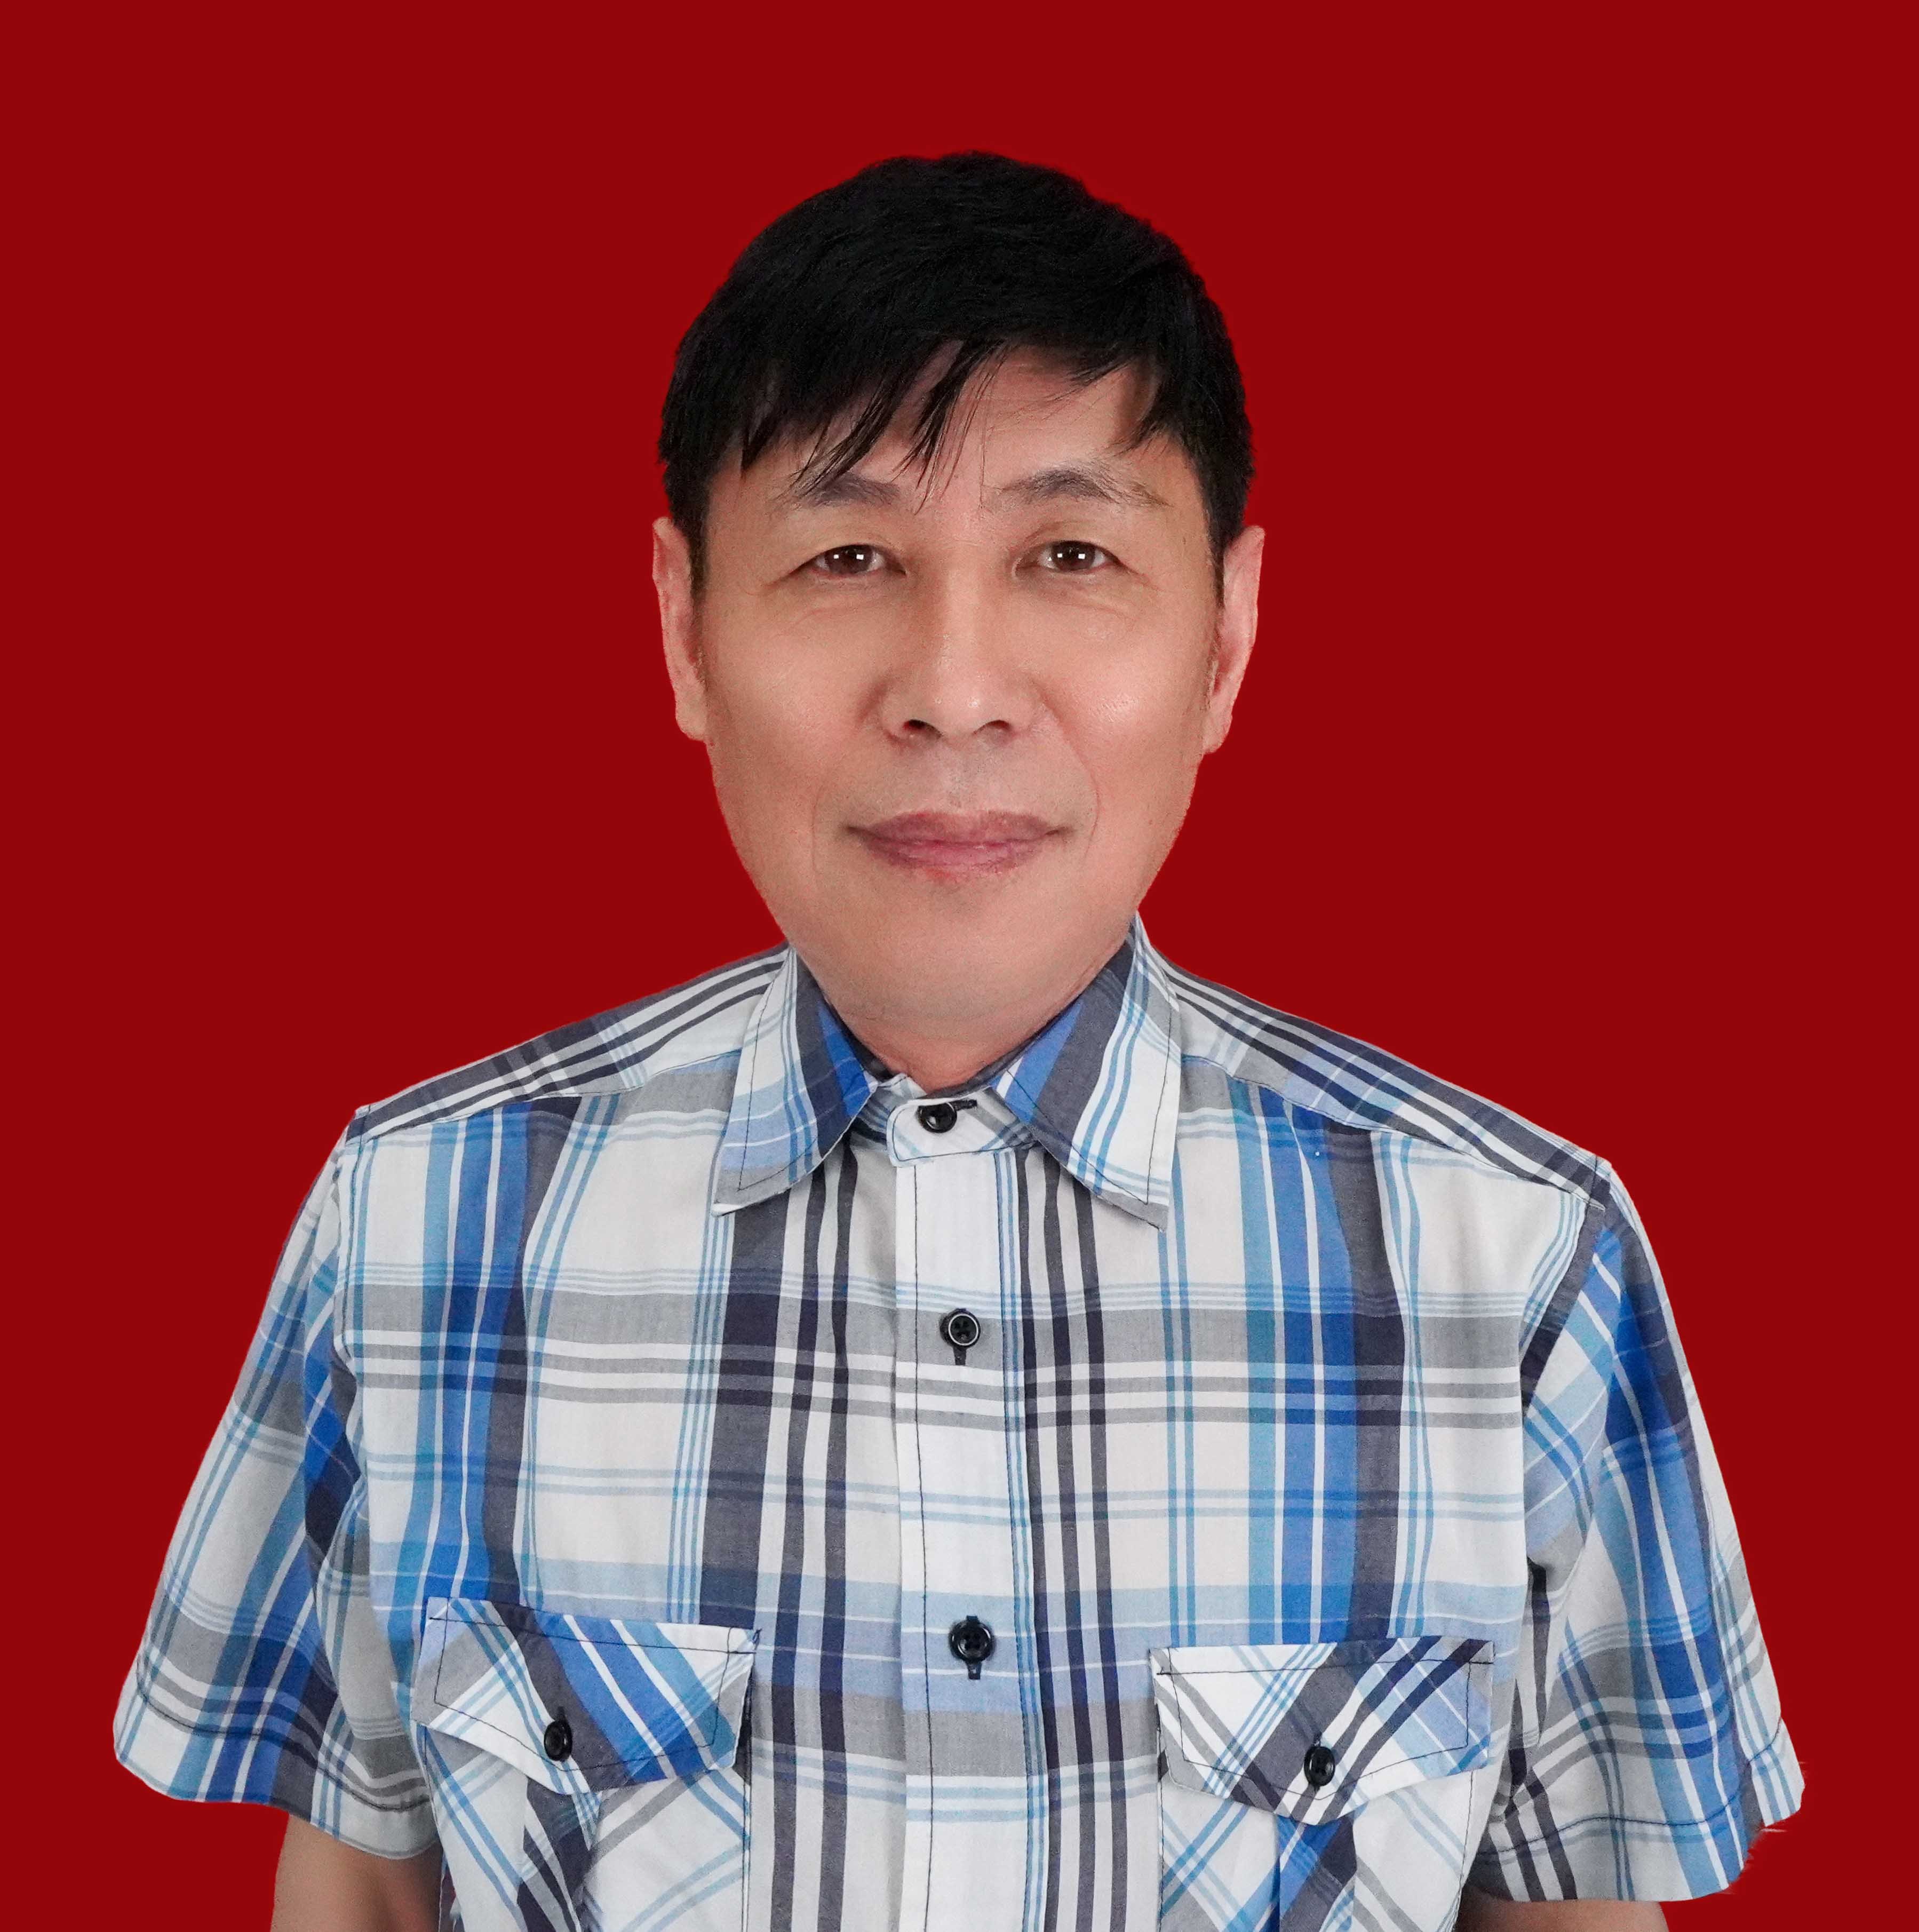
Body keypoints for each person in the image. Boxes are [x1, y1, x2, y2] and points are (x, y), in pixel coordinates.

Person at [113, 152, 1803, 1932]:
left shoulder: (1517, 1262)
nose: (955, 689)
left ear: (1227, 639)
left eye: (1070, 555)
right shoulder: (415, 1226)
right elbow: (365, 1897)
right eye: (849, 556)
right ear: (685, 629)